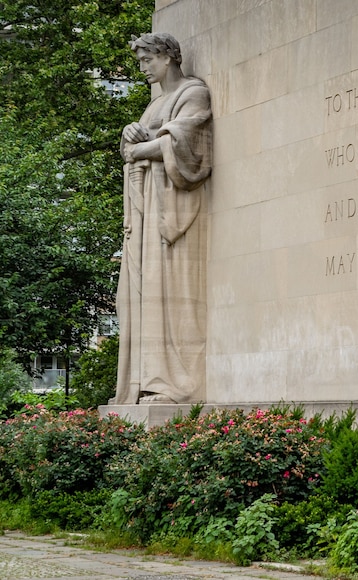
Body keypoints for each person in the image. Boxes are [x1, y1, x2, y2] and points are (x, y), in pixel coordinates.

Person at [112, 33, 211, 404]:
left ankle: (171, 384)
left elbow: (182, 142)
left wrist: (139, 148)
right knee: (142, 294)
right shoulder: (153, 107)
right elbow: (136, 148)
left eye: (146, 61)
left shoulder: (192, 93)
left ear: (166, 57)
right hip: (146, 211)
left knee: (169, 294)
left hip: (170, 207)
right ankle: (147, 380)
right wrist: (129, 136)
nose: (142, 69)